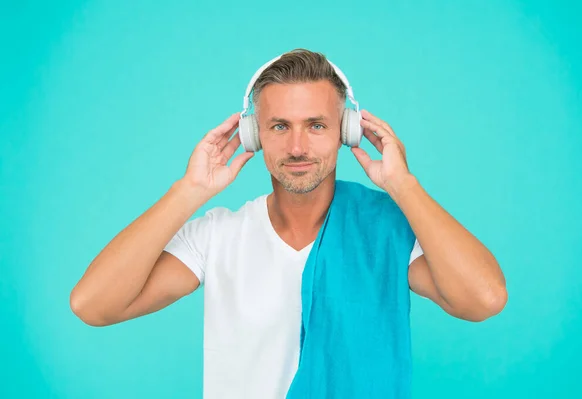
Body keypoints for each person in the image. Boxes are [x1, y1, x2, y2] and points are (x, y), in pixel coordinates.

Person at [70, 48, 507, 398]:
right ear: (253, 135)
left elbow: (483, 299)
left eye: (316, 125)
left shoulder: (389, 229)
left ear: (347, 130)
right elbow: (93, 305)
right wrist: (189, 191)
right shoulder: (219, 235)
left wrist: (404, 186)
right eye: (279, 126)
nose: (297, 147)